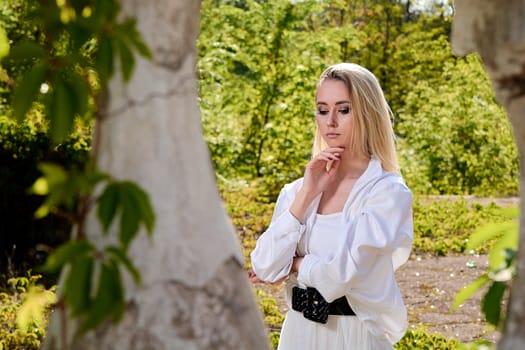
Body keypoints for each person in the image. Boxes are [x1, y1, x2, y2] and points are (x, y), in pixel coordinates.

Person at [249, 62, 413, 349]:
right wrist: (306, 196)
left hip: (355, 336)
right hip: (298, 334)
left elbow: (338, 278)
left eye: (344, 109)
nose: (331, 121)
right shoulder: (297, 190)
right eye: (323, 110)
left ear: (367, 113)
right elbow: (265, 266)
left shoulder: (387, 193)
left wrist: (296, 263)